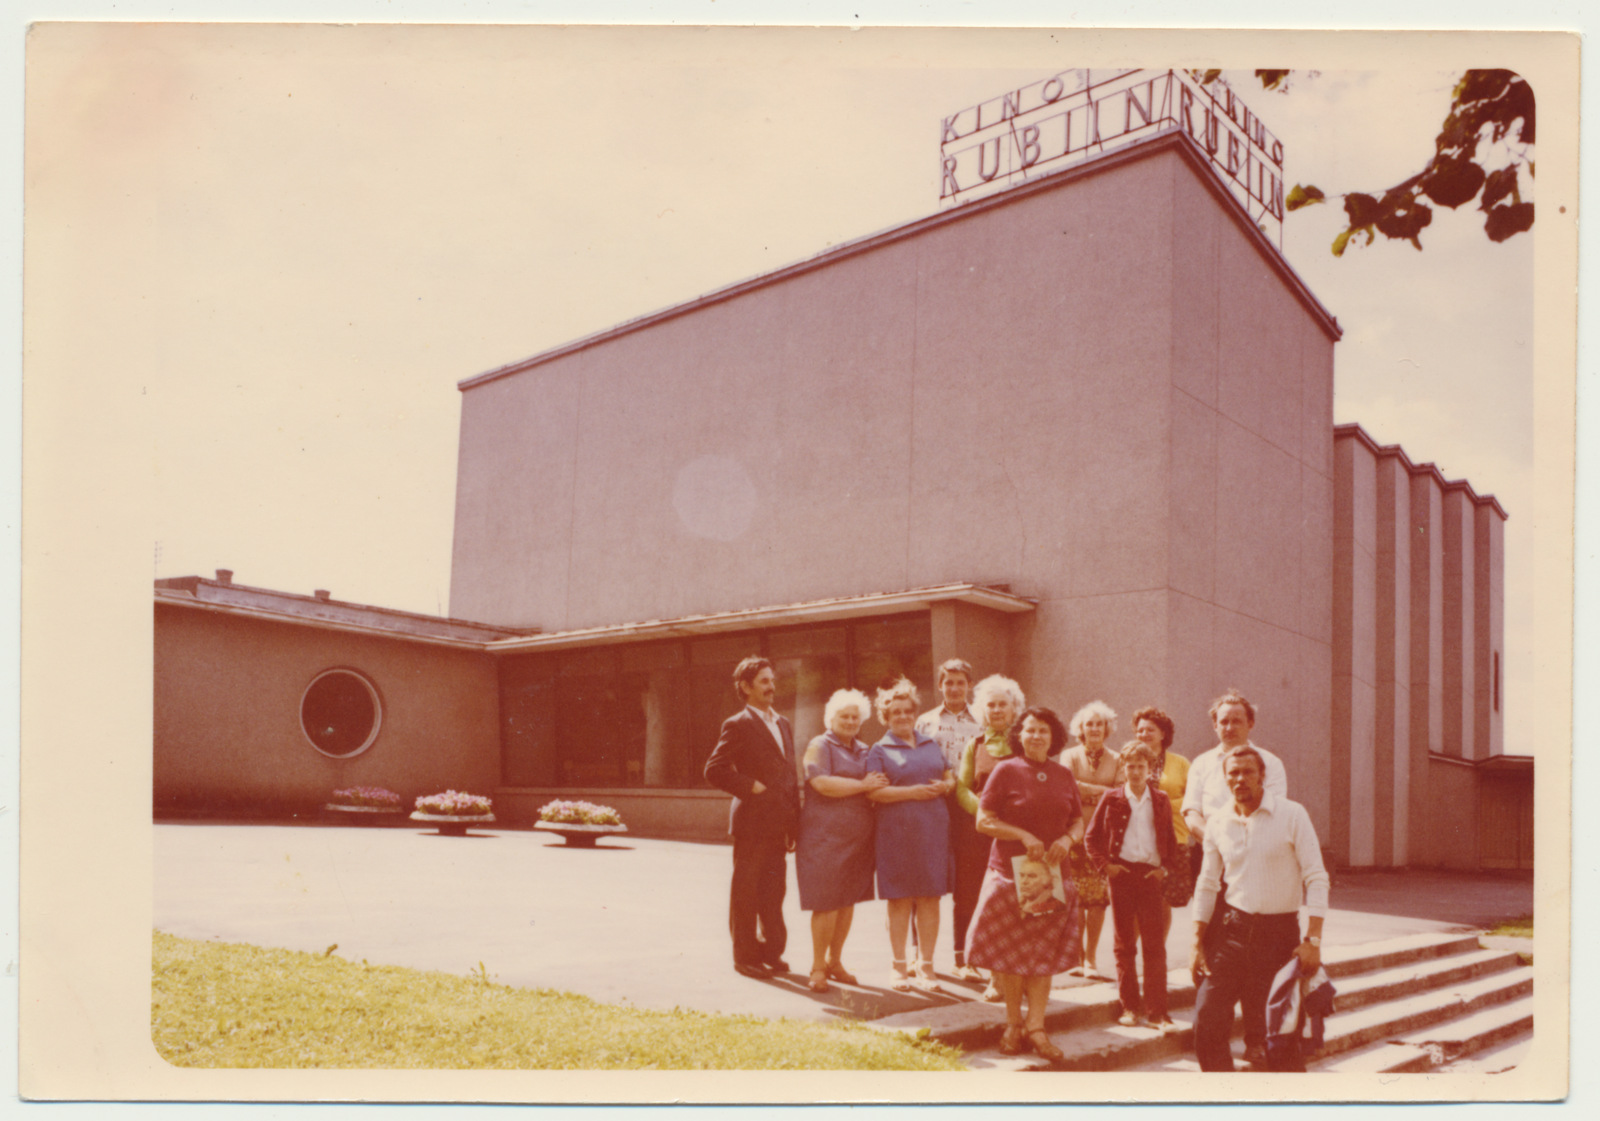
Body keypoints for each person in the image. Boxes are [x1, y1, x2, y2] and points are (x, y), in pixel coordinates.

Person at [1191, 745, 1329, 1072]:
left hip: (1278, 938)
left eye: (1247, 772)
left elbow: (1317, 877)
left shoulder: (1292, 814)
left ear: (1262, 776)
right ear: (1225, 780)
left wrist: (1313, 941)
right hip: (1230, 933)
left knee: (1281, 1037)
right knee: (1207, 1023)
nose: (1240, 779)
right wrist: (1196, 942)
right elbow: (1208, 883)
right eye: (1233, 773)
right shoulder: (1218, 822)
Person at [965, 706, 1083, 1064]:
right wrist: (1022, 834)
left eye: (1043, 731)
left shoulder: (1063, 774)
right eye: (1030, 730)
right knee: (1012, 955)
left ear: (1053, 737)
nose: (1036, 736)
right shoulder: (1005, 770)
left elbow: (1078, 820)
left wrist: (1069, 841)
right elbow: (984, 822)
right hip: (1009, 874)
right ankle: (1013, 1025)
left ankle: (1036, 1027)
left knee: (1041, 955)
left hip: (1050, 876)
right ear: (1020, 735)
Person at [1180, 689, 1290, 1057]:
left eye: (1236, 720)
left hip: (1254, 865)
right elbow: (1190, 811)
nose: (1228, 727)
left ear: (1250, 723)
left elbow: (1271, 810)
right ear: (1214, 724)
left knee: (1257, 960)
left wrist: (1232, 838)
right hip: (1211, 864)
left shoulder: (1270, 762)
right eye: (1222, 721)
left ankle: (1256, 1039)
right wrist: (1214, 838)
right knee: (1211, 947)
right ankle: (1212, 1028)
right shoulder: (1200, 763)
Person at [703, 656, 800, 979]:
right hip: (752, 823)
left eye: (772, 680)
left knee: (774, 893)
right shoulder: (738, 724)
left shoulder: (782, 723)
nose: (771, 687)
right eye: (764, 681)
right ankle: (745, 957)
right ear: (745, 687)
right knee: (746, 894)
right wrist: (750, 786)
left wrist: (793, 823)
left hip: (778, 825)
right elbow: (713, 770)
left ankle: (771, 952)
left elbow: (789, 775)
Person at [795, 688, 888, 993]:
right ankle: (818, 966)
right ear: (830, 718)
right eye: (843, 716)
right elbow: (821, 783)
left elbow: (879, 784)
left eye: (855, 716)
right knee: (827, 903)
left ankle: (836, 962)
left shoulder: (865, 749)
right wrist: (862, 785)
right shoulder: (818, 745)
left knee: (847, 902)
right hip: (824, 839)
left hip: (858, 839)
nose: (850, 721)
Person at [865, 679, 955, 993]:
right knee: (900, 899)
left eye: (907, 711)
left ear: (915, 713)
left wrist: (948, 785)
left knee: (931, 898)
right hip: (896, 833)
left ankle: (926, 965)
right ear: (886, 718)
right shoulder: (879, 749)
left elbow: (948, 773)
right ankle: (898, 965)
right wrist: (914, 792)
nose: (902, 716)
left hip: (933, 830)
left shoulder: (931, 743)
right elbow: (875, 793)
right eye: (895, 713)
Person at [1085, 740, 1180, 1032]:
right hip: (1122, 875)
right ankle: (1129, 1007)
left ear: (1151, 769)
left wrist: (1164, 869)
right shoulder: (1112, 798)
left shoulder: (1161, 799)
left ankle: (1157, 1012)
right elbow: (1091, 838)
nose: (1136, 771)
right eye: (1130, 766)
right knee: (1124, 944)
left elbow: (1170, 841)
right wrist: (1107, 867)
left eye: (1141, 766)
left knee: (1154, 946)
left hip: (1150, 876)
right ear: (1123, 769)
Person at [951, 673, 1026, 992]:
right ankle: (968, 959)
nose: (997, 710)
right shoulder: (975, 744)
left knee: (1016, 897)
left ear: (1014, 709)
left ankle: (1017, 967)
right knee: (970, 892)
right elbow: (962, 787)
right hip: (977, 832)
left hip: (1017, 833)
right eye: (991, 705)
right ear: (983, 710)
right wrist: (983, 811)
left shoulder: (1025, 743)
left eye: (1003, 705)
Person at [912, 658, 981, 970]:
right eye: (948, 682)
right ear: (940, 685)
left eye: (960, 682)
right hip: (933, 804)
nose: (954, 688)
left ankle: (964, 956)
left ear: (969, 685)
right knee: (926, 880)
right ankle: (918, 954)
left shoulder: (983, 720)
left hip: (968, 806)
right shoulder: (924, 722)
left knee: (969, 880)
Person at [1061, 700, 1123, 978]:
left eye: (1099, 723)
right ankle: (1075, 956)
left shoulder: (1118, 758)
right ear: (1081, 729)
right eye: (1089, 724)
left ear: (1106, 728)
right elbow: (1066, 786)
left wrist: (1086, 790)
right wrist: (1103, 791)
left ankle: (1091, 959)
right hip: (1073, 835)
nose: (1095, 728)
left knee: (1097, 900)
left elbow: (1121, 793)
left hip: (1103, 838)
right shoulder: (1070, 755)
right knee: (1074, 898)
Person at [1130, 706, 1190, 938]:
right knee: (1137, 900)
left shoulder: (1181, 763)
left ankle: (1157, 954)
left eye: (1150, 730)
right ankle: (1131, 954)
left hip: (1172, 838)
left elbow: (1193, 799)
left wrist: (1161, 804)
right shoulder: (1129, 760)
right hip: (1136, 840)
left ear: (1163, 734)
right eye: (1140, 730)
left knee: (1163, 899)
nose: (1144, 734)